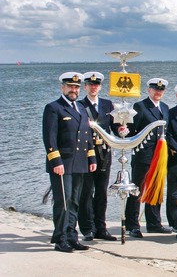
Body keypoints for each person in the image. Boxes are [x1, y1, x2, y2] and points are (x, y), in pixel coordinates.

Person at [43, 72, 97, 252]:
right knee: (63, 201)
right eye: (70, 86)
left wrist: (92, 157)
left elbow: (87, 136)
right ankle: (60, 238)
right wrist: (55, 161)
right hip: (62, 163)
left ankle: (72, 236)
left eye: (76, 87)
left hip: (80, 162)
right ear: (63, 87)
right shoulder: (53, 108)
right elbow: (50, 138)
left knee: (75, 201)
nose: (73, 90)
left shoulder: (81, 108)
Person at [126, 78, 171, 237]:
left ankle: (154, 223)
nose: (158, 92)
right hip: (143, 155)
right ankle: (132, 225)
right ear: (149, 90)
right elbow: (132, 131)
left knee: (156, 189)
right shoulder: (141, 106)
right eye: (155, 89)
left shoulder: (165, 108)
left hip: (159, 156)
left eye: (161, 90)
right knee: (137, 190)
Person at [77, 72, 119, 242]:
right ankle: (87, 228)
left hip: (104, 153)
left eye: (96, 85)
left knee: (101, 192)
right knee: (86, 192)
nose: (93, 87)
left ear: (100, 87)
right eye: (90, 84)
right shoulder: (80, 105)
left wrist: (122, 131)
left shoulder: (108, 105)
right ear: (85, 87)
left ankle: (100, 227)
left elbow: (115, 127)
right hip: (86, 153)